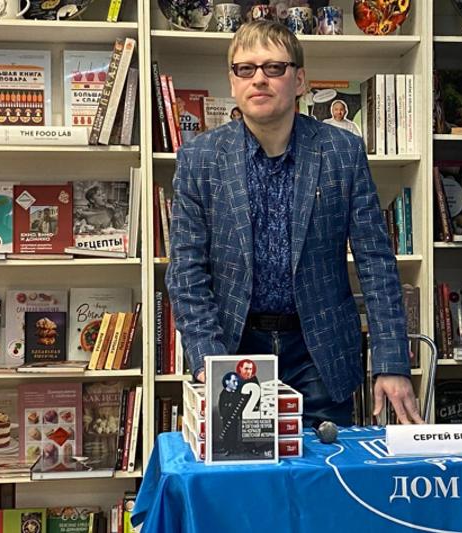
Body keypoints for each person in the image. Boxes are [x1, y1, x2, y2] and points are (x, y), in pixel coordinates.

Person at [166, 20, 422, 426]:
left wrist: (391, 360)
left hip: (319, 351)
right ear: (232, 82)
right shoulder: (200, 158)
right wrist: (207, 360)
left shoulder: (342, 151)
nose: (259, 79)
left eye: (274, 68)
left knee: (325, 465)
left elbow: (376, 261)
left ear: (299, 80)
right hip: (232, 348)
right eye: (245, 69)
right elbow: (186, 272)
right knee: (244, 467)